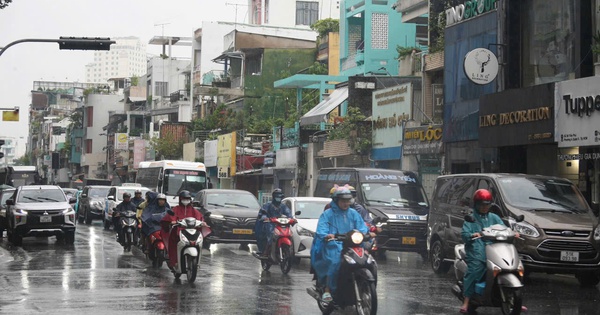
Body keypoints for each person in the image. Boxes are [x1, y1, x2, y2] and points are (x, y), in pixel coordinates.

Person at [459, 189, 525, 313]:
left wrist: (513, 233)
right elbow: (464, 234)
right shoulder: (471, 219)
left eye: (487, 204)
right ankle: (466, 301)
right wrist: (472, 235)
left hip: (494, 247)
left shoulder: (494, 217)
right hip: (477, 247)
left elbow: (503, 228)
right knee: (475, 269)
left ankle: (516, 300)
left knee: (517, 266)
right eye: (482, 204)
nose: (485, 207)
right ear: (476, 204)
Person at [311, 186, 369, 303]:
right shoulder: (327, 214)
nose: (346, 203)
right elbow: (322, 230)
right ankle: (327, 289)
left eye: (348, 201)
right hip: (333, 245)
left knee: (367, 261)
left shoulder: (353, 213)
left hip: (352, 245)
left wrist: (366, 233)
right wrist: (327, 235)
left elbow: (362, 227)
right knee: (335, 262)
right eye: (343, 201)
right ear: (336, 200)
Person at [161, 190, 207, 269]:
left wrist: (203, 222)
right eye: (184, 199)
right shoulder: (176, 209)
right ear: (180, 199)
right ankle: (174, 261)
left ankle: (197, 263)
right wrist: (172, 221)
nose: (186, 200)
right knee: (173, 242)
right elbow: (170, 216)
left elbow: (200, 217)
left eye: (187, 199)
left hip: (192, 231)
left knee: (199, 242)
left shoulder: (194, 210)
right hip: (178, 232)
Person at [254, 188, 292, 257]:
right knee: (270, 234)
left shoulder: (283, 206)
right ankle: (266, 250)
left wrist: (292, 219)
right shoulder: (267, 205)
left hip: (279, 224)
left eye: (280, 196)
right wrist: (265, 217)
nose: (278, 198)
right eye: (277, 196)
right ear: (274, 197)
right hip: (269, 223)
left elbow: (288, 213)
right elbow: (262, 213)